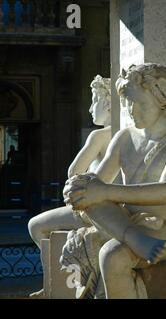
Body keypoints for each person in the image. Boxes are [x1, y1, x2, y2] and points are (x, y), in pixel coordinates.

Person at [63, 63, 166, 298]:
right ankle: (132, 237)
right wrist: (79, 187)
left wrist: (104, 191)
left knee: (112, 256)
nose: (132, 111)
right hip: (126, 222)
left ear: (162, 100)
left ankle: (131, 237)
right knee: (85, 192)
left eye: (140, 104)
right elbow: (98, 184)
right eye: (128, 103)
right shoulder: (124, 137)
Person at [28, 75, 113, 298]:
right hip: (116, 210)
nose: (90, 109)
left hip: (95, 210)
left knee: (35, 226)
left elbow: (73, 171)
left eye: (94, 101)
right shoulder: (125, 136)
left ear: (108, 103)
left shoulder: (99, 136)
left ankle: (54, 283)